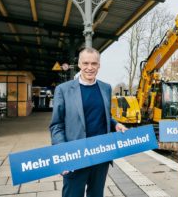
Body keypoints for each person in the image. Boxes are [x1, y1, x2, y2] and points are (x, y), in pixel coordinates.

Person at [49, 47, 127, 197]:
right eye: (85, 63)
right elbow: (56, 125)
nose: (89, 68)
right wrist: (63, 154)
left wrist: (115, 124)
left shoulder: (105, 88)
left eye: (94, 63)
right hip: (75, 156)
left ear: (99, 65)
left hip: (101, 155)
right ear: (79, 64)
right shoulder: (63, 90)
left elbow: (104, 115)